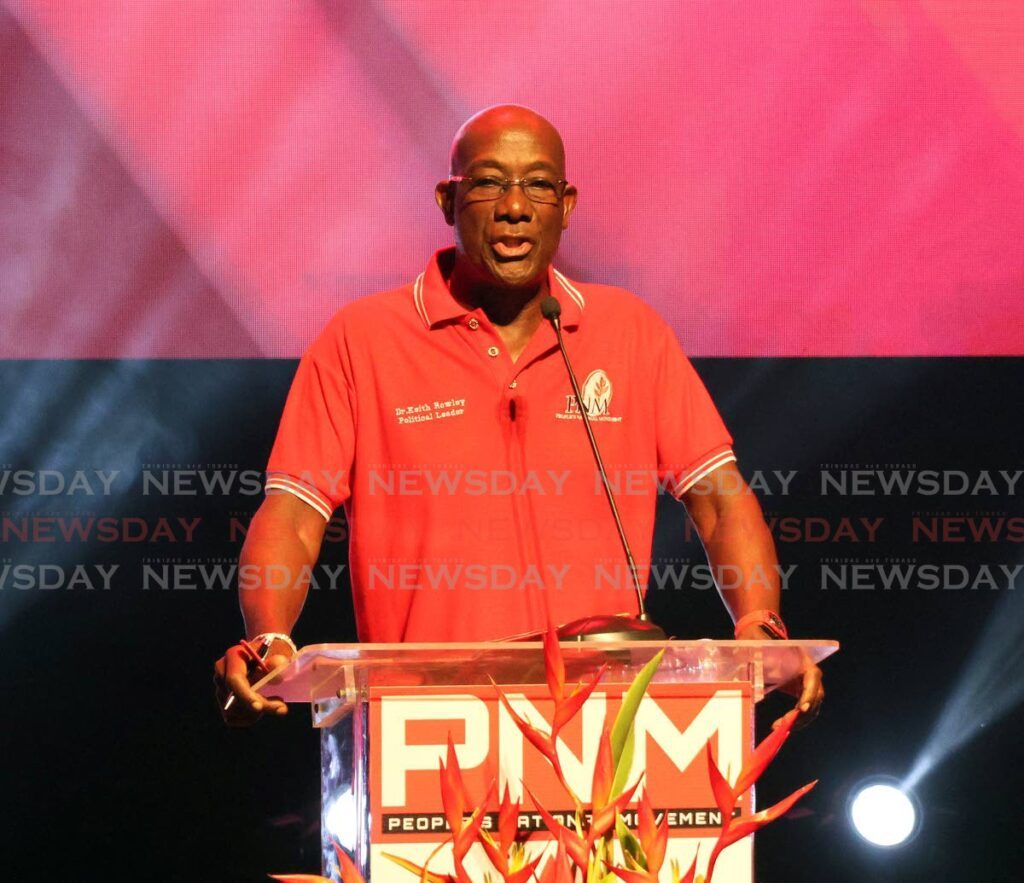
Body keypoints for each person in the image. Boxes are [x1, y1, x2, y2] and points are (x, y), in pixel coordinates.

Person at [214, 105, 824, 728]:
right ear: (448, 200)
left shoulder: (629, 332)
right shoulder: (361, 338)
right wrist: (270, 638)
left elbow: (719, 499)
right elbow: (292, 516)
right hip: (424, 727)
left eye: (537, 184)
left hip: (603, 722)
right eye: (488, 183)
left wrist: (760, 625)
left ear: (566, 205)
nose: (514, 206)